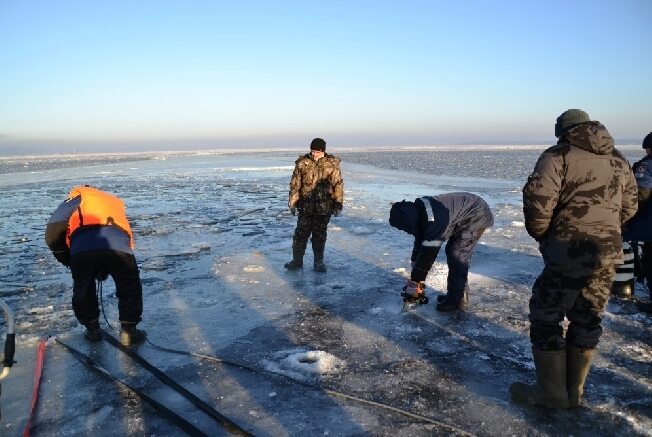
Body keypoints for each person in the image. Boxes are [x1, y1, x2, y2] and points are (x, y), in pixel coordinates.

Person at [510, 109, 638, 409]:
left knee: (546, 314)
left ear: (564, 130)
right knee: (588, 315)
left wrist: (544, 234)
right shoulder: (618, 158)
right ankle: (574, 392)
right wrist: (608, 230)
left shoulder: (559, 155)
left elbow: (538, 201)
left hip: (568, 249)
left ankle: (552, 393)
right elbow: (631, 204)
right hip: (606, 253)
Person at [45, 185, 146, 346]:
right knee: (129, 285)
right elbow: (125, 231)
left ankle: (92, 330)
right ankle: (129, 331)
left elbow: (54, 229)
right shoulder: (113, 201)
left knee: (83, 287)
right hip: (120, 246)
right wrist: (106, 264)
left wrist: (67, 259)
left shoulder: (77, 197)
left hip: (83, 248)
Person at [389, 192, 494, 311]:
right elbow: (421, 237)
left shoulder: (432, 221)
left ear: (407, 221)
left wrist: (416, 280)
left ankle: (457, 299)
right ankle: (458, 294)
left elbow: (428, 254)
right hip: (466, 211)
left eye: (405, 228)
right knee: (454, 252)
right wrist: (415, 259)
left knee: (457, 255)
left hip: (476, 215)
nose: (407, 231)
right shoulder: (419, 212)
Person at [285, 138, 344, 272]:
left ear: (323, 150)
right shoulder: (302, 163)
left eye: (317, 151)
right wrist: (293, 202)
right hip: (305, 207)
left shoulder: (332, 164)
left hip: (324, 208)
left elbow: (338, 185)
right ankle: (297, 261)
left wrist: (338, 204)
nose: (314, 153)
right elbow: (295, 184)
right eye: (312, 151)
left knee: (319, 236)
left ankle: (318, 263)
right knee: (300, 235)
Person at [623, 132, 652, 312]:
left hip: (649, 225)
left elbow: (641, 194)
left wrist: (627, 216)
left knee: (650, 260)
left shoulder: (646, 166)